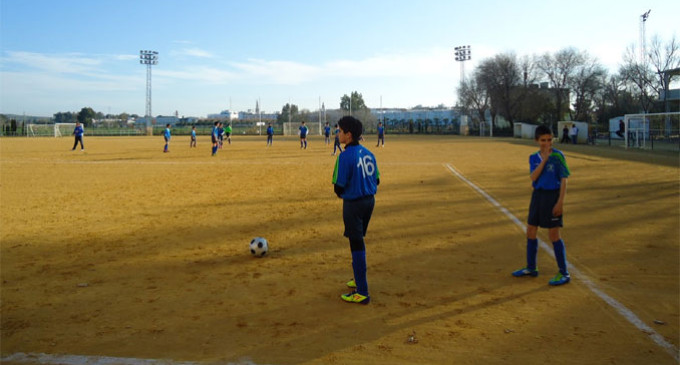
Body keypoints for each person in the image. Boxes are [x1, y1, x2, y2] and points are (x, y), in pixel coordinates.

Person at [512, 125, 571, 286]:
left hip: (552, 196)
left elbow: (564, 179)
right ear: (537, 141)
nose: (547, 143)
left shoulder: (559, 156)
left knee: (554, 235)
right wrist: (544, 159)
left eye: (549, 140)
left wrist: (560, 202)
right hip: (537, 196)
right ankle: (531, 267)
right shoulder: (534, 157)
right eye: (543, 140)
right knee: (531, 230)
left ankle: (563, 272)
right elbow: (533, 177)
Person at [332, 116, 380, 304]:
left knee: (356, 244)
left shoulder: (344, 156)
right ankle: (357, 278)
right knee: (358, 241)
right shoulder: (369, 154)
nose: (338, 134)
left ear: (348, 135)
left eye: (340, 131)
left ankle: (362, 291)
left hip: (353, 204)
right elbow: (377, 180)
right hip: (369, 202)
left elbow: (338, 187)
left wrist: (348, 193)